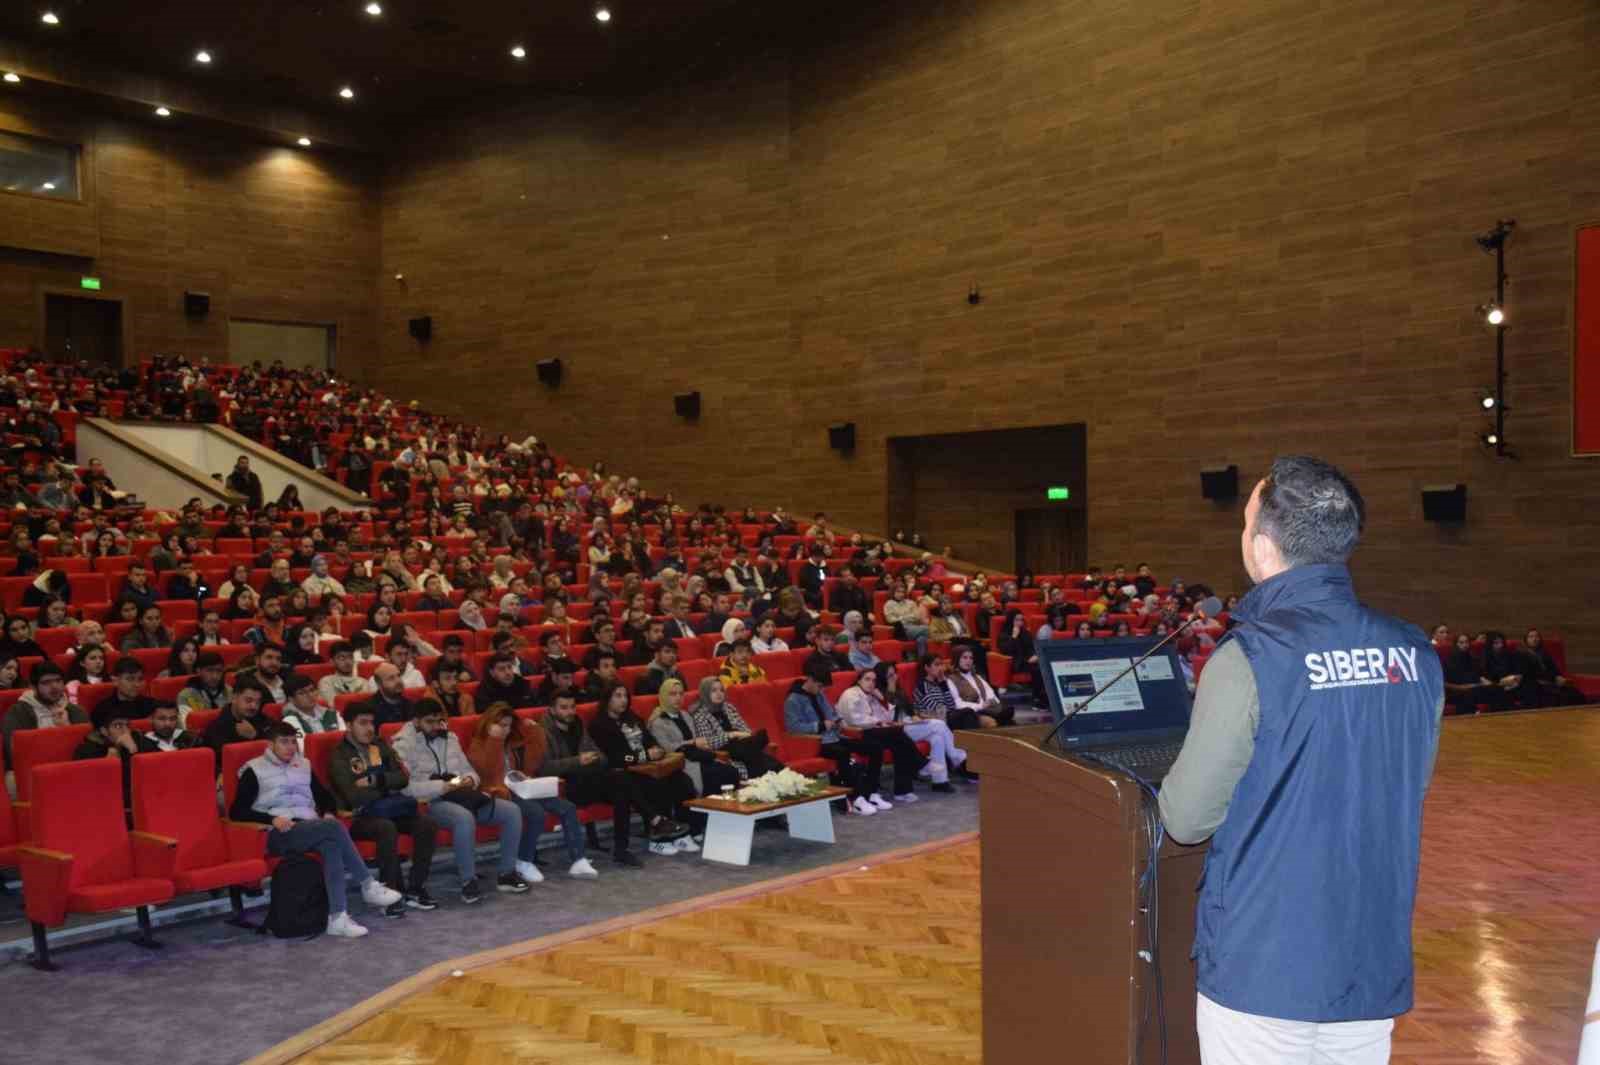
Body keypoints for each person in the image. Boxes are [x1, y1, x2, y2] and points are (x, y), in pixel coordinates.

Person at [1156, 456, 1443, 1062]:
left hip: (1262, 964)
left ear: (1262, 547)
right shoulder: (1415, 651)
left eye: (1243, 525)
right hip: (1369, 956)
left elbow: (1185, 818)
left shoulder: (1248, 658)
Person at [230, 722, 404, 937]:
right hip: (277, 833)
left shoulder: (303, 765)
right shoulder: (254, 769)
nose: (290, 747)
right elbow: (236, 812)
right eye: (284, 742)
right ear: (270, 744)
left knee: (331, 844)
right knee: (331, 829)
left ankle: (337, 918)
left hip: (310, 826)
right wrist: (272, 819)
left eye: (294, 742)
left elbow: (325, 798)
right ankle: (368, 884)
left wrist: (329, 811)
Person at [393, 700, 529, 903]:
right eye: (430, 722)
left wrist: (469, 780)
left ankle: (507, 874)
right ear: (416, 721)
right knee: (464, 818)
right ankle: (468, 881)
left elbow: (469, 771)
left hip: (461, 794)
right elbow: (406, 788)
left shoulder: (450, 737)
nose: (436, 726)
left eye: (440, 721)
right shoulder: (402, 745)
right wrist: (441, 787)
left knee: (511, 811)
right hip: (430, 801)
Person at [328, 703, 440, 913]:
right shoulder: (339, 755)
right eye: (363, 723)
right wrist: (387, 787)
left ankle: (415, 889)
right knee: (386, 827)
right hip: (358, 817)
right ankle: (391, 893)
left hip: (389, 809)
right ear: (349, 725)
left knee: (427, 824)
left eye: (372, 723)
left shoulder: (379, 746)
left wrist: (375, 780)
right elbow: (352, 795)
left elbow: (403, 778)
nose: (369, 728)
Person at [467, 702, 599, 881]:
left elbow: (535, 759)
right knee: (536, 813)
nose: (505, 730)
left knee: (567, 807)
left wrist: (536, 731)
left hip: (519, 787)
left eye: (508, 725)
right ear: (489, 724)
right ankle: (523, 860)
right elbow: (488, 772)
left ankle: (578, 859)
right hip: (499, 792)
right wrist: (494, 740)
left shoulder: (511, 743)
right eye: (501, 725)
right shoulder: (477, 744)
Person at [539, 689, 645, 867]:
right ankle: (654, 820)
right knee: (621, 782)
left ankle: (621, 850)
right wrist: (578, 761)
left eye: (572, 707)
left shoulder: (578, 724)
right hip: (566, 787)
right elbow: (544, 768)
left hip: (588, 779)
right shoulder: (542, 732)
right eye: (564, 708)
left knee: (622, 782)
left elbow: (601, 756)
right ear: (551, 710)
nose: (570, 712)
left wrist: (591, 759)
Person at [588, 682, 696, 854]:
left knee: (681, 780)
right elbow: (614, 757)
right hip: (622, 773)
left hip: (647, 767)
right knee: (654, 784)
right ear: (607, 699)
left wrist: (657, 750)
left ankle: (680, 832)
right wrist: (644, 756)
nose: (623, 700)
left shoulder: (632, 718)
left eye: (625, 696)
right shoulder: (599, 725)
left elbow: (650, 740)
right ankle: (658, 836)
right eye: (618, 696)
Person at [784, 664, 894, 816]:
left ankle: (871, 792)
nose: (822, 690)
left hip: (834, 737)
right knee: (844, 753)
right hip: (815, 742)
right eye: (820, 686)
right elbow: (793, 728)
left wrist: (837, 720)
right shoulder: (793, 700)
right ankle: (855, 797)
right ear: (810, 680)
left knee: (875, 747)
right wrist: (820, 725)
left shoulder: (819, 694)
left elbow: (831, 713)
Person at [647, 677, 739, 825]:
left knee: (730, 772)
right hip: (683, 762)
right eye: (672, 694)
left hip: (698, 756)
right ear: (664, 696)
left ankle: (725, 818)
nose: (678, 698)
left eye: (680, 694)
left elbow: (699, 740)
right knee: (715, 775)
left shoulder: (685, 715)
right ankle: (704, 822)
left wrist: (698, 744)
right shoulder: (658, 722)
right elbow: (666, 748)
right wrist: (690, 742)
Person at [834, 668, 929, 801]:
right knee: (898, 736)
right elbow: (854, 719)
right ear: (859, 680)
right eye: (867, 679)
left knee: (900, 743)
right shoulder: (851, 694)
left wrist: (882, 699)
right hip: (854, 733)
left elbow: (888, 716)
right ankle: (919, 765)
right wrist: (879, 723)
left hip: (873, 731)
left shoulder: (872, 695)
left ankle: (903, 791)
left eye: (874, 680)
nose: (871, 683)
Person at [877, 661, 966, 789]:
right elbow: (889, 717)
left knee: (937, 738)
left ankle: (940, 781)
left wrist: (916, 717)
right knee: (939, 725)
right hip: (897, 730)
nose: (895, 677)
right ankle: (958, 757)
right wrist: (891, 693)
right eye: (890, 676)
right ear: (882, 678)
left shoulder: (899, 690)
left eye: (895, 674)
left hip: (909, 725)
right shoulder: (879, 693)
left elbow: (910, 711)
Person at [74, 698, 161, 809]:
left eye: (127, 725)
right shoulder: (87, 750)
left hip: (147, 800)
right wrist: (110, 762)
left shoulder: (139, 739)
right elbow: (88, 787)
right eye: (118, 726)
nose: (126, 731)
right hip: (106, 806)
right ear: (104, 731)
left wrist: (134, 754)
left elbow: (158, 770)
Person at [4, 661, 88, 762]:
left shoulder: (76, 711)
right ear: (33, 687)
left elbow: (87, 752)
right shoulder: (18, 712)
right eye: (46, 682)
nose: (54, 686)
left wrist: (67, 728)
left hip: (72, 766)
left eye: (58, 680)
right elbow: (15, 753)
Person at [201, 682, 275, 770]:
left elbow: (278, 748)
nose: (254, 706)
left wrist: (255, 736)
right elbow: (224, 761)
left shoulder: (264, 720)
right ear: (234, 698)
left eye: (258, 702)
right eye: (248, 700)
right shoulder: (216, 727)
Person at [946, 645, 1013, 727]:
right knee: (991, 722)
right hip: (972, 713)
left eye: (971, 658)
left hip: (988, 709)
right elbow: (957, 703)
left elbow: (990, 693)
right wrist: (980, 706)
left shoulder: (977, 676)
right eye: (965, 658)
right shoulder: (951, 680)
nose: (968, 661)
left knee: (1010, 718)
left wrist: (989, 702)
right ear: (957, 659)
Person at [1441, 632, 1508, 714]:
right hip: (1456, 692)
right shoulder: (1448, 661)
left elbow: (1479, 675)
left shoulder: (1473, 659)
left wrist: (1485, 681)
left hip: (1474, 688)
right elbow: (1443, 683)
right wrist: (1461, 687)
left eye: (1466, 642)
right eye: (1461, 642)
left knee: (1498, 690)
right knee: (1468, 695)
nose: (1465, 645)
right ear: (1456, 644)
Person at [1520, 628, 1585, 707]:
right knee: (1558, 696)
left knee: (1574, 693)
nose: (1534, 639)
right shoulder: (1522, 655)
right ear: (1526, 640)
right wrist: (1553, 678)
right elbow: (1529, 674)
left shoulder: (1544, 653)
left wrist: (1558, 677)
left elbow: (1554, 669)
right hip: (1537, 685)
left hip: (1551, 682)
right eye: (1531, 637)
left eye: (1537, 636)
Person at [1481, 631, 1538, 709]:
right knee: (1496, 691)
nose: (1500, 646)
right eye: (1496, 643)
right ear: (1490, 645)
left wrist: (1516, 678)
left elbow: (1516, 671)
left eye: (1501, 643)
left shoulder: (1508, 654)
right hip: (1497, 686)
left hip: (1511, 684)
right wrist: (1499, 682)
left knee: (1530, 685)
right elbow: (1487, 677)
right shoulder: (1486, 657)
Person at [177, 650, 233, 726]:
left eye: (219, 671)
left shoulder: (229, 691)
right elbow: (187, 725)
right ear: (198, 671)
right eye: (210, 670)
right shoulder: (186, 695)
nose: (215, 676)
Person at [281, 673, 339, 742]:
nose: (310, 695)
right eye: (302, 693)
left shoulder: (331, 713)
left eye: (312, 690)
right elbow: (302, 747)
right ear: (291, 699)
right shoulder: (290, 720)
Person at [357, 663, 415, 727]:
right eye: (391, 678)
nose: (398, 681)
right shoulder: (368, 709)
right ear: (379, 684)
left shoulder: (410, 705)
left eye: (399, 676)